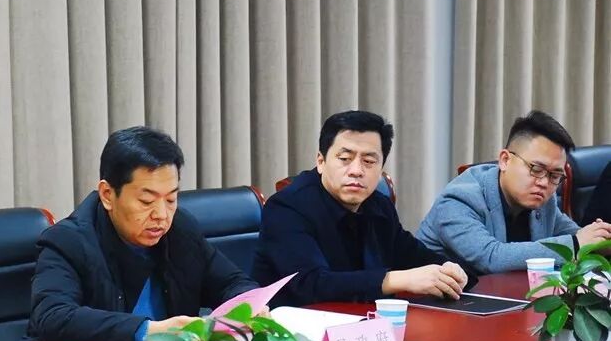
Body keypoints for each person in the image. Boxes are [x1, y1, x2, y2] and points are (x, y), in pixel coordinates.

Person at [27, 126, 258, 341]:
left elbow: (231, 282)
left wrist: (250, 305)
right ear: (107, 195)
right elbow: (53, 317)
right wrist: (151, 332)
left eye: (171, 199)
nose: (161, 215)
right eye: (146, 201)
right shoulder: (68, 241)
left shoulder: (180, 228)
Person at [252, 110, 472, 306]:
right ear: (321, 161)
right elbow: (311, 284)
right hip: (295, 331)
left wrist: (450, 270)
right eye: (345, 158)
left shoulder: (378, 206)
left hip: (365, 325)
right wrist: (396, 279)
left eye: (369, 161)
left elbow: (412, 255)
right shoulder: (287, 207)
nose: (356, 170)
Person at [417, 110, 611, 273]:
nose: (544, 182)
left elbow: (575, 234)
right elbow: (491, 258)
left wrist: (600, 240)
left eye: (555, 176)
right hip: (437, 303)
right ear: (505, 160)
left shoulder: (543, 200)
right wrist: (576, 244)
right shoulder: (458, 200)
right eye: (536, 169)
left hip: (506, 299)